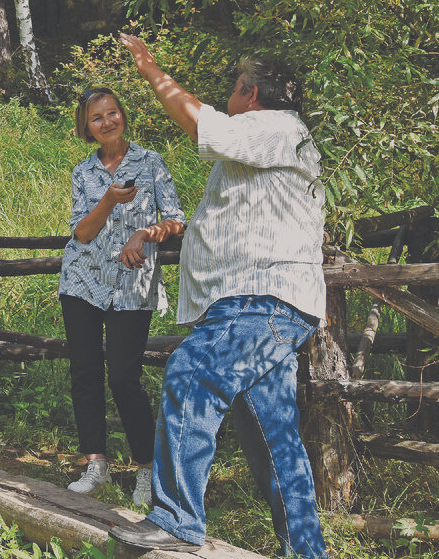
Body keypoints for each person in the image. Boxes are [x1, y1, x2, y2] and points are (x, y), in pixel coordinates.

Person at [108, 35, 328, 557]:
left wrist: (151, 69)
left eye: (233, 89)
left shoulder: (275, 125)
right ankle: (306, 551)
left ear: (251, 95)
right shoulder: (280, 139)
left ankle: (177, 521)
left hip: (259, 300)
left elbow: (200, 122)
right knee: (276, 436)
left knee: (191, 371)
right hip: (265, 301)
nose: (228, 99)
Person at [60, 86, 186, 506]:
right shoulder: (83, 172)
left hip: (133, 282)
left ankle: (147, 469)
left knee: (124, 376)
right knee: (85, 372)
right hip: (83, 280)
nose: (107, 121)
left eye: (112, 113)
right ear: (87, 127)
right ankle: (96, 464)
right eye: (97, 118)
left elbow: (175, 218)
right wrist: (109, 201)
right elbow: (82, 232)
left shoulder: (150, 162)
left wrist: (145, 232)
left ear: (122, 115)